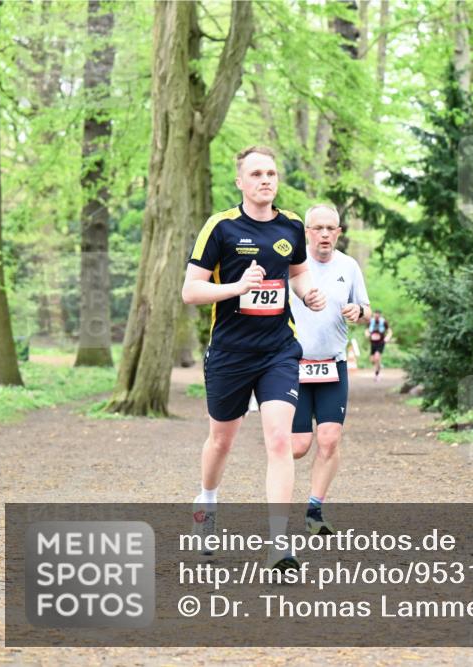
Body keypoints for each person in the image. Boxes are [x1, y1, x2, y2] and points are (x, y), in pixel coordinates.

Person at [182, 145, 326, 572]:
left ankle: (280, 543)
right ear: (241, 182)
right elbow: (191, 291)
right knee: (222, 440)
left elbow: (298, 272)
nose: (266, 180)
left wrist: (308, 293)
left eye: (272, 173)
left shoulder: (292, 226)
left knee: (280, 441)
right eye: (257, 174)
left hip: (278, 349)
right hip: (230, 352)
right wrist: (236, 287)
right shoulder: (221, 228)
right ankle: (206, 500)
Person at [290, 204, 371, 535]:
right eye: (318, 228)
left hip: (332, 367)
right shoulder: (292, 266)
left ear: (339, 233)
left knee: (329, 439)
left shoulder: (349, 267)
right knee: (298, 446)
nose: (324, 234)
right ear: (307, 232)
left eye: (331, 228)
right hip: (292, 366)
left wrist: (358, 311)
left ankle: (314, 509)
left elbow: (367, 311)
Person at [365, 310, 391, 381]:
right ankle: (379, 365)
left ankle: (377, 375)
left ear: (380, 315)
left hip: (381, 342)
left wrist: (387, 337)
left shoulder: (384, 322)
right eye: (375, 315)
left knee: (377, 358)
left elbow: (389, 331)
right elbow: (367, 330)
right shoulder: (371, 321)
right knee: (372, 360)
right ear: (374, 315)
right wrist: (367, 334)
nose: (376, 317)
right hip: (373, 343)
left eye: (378, 315)